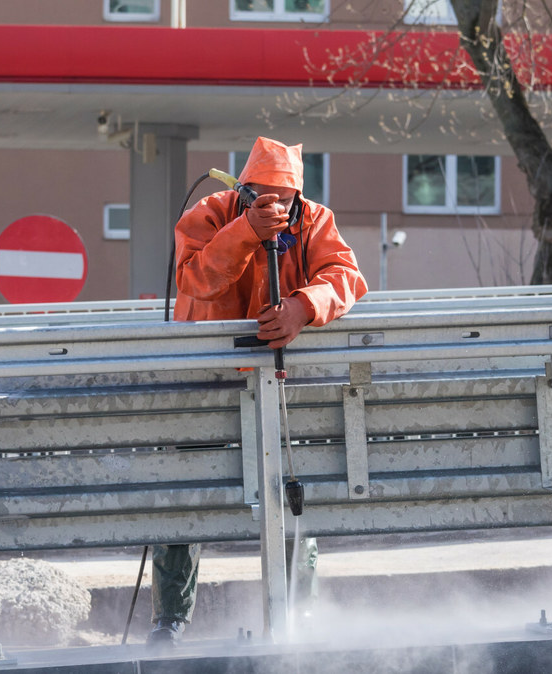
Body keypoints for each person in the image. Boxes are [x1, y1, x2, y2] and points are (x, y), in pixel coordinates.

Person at [149, 136, 368, 645]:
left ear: (297, 196)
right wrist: (244, 233)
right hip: (205, 381)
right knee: (187, 491)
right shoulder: (210, 213)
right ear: (242, 189)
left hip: (278, 377)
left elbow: (345, 275)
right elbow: (194, 280)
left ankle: (297, 614)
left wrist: (304, 306)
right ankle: (170, 619)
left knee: (293, 487)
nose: (274, 206)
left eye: (283, 198)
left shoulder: (313, 221)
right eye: (261, 196)